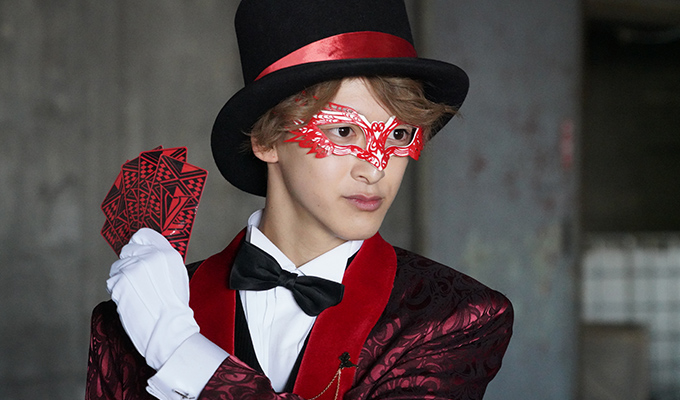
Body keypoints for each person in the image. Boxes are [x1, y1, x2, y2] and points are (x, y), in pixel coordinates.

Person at [85, 1, 513, 399]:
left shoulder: (459, 316)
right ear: (267, 139)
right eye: (344, 131)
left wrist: (179, 349)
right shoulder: (133, 317)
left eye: (398, 134)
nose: (375, 169)